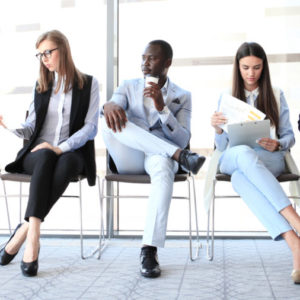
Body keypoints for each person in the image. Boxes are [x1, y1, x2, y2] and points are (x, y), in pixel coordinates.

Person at [101, 40, 205, 278]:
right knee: (105, 122)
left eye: (151, 59)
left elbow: (183, 138)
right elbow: (114, 106)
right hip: (129, 156)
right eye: (143, 58)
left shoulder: (182, 96)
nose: (145, 64)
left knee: (164, 167)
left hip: (157, 156)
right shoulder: (128, 86)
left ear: (167, 63)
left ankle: (149, 249)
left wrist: (162, 109)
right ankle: (180, 158)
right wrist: (108, 106)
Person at [0, 30, 100, 277]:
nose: (43, 58)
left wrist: (60, 147)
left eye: (48, 52)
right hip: (39, 153)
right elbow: (32, 127)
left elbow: (91, 127)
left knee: (65, 163)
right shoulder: (41, 86)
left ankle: (23, 232)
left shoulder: (89, 84)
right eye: (40, 54)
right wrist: (10, 127)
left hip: (71, 151)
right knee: (45, 155)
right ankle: (33, 237)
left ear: (63, 50)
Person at [210, 42, 300, 284]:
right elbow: (221, 147)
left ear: (264, 67)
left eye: (257, 67)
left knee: (241, 178)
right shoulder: (226, 96)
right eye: (246, 67)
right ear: (237, 68)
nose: (251, 73)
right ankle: (295, 219)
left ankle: (295, 245)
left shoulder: (276, 94)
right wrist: (217, 129)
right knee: (242, 153)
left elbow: (289, 135)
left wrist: (278, 144)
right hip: (233, 156)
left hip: (268, 159)